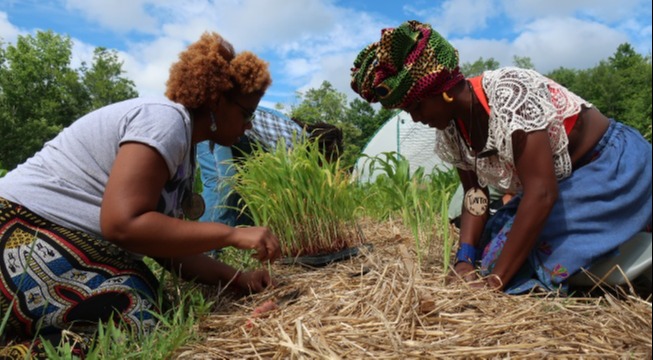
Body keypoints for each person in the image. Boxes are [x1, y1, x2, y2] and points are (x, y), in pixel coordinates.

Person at [0, 32, 281, 355]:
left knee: (156, 307)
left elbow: (166, 247)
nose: (249, 126)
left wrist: (237, 279)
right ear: (217, 101)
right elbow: (122, 224)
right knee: (137, 318)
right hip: (23, 229)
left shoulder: (183, 147)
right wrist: (231, 234)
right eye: (247, 113)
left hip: (57, 234)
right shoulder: (164, 120)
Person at [350, 20, 652, 294]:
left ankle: (635, 222)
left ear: (444, 92)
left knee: (526, 257)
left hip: (610, 166)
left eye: (417, 108)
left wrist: (494, 283)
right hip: (567, 182)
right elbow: (474, 194)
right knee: (491, 245)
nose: (416, 119)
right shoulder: (452, 131)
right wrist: (464, 259)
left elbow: (542, 193)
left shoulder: (509, 94)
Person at [197, 107, 343, 228]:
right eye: (324, 162)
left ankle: (236, 241)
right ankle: (208, 248)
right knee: (223, 183)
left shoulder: (299, 144)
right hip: (217, 125)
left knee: (249, 192)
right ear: (321, 151)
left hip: (240, 138)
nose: (321, 167)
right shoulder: (293, 142)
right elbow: (286, 190)